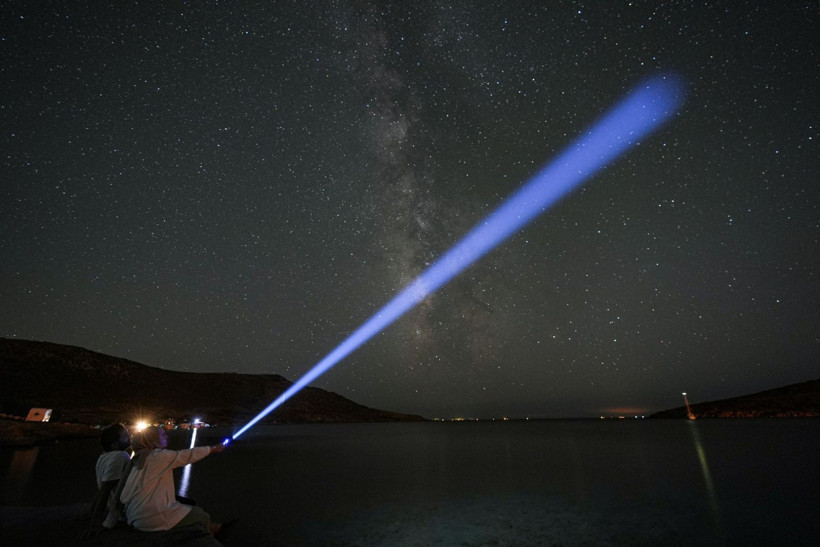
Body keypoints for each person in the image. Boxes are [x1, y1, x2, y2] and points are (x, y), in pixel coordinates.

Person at [118, 426, 229, 537]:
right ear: (152, 440)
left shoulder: (138, 460)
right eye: (162, 435)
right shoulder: (158, 456)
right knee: (202, 516)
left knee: (192, 509)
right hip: (151, 516)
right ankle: (213, 535)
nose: (166, 436)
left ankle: (215, 529)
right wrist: (213, 449)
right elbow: (187, 455)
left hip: (134, 516)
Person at [86, 423, 131, 534]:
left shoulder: (104, 456)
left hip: (116, 509)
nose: (130, 437)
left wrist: (91, 512)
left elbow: (102, 488)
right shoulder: (120, 456)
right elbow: (105, 491)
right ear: (115, 445)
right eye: (125, 436)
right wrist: (95, 523)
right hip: (125, 512)